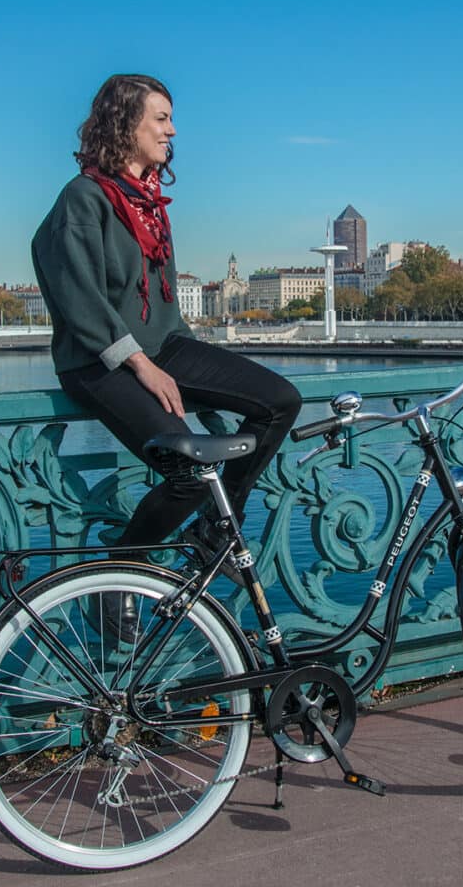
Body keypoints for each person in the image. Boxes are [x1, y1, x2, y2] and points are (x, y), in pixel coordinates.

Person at [31, 74, 302, 604]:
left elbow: (164, 304)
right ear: (125, 123)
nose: (172, 130)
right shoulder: (83, 198)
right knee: (190, 470)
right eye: (160, 118)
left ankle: (216, 528)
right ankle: (118, 573)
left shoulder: (150, 203)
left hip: (164, 346)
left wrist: (187, 356)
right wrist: (139, 363)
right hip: (99, 362)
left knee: (280, 401)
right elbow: (79, 297)